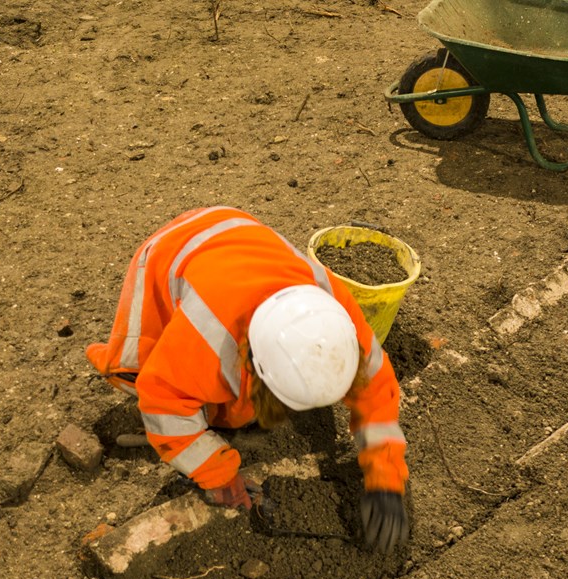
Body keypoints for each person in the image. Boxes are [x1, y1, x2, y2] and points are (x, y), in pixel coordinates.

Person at [86, 206, 409, 553]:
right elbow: (162, 400)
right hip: (169, 255)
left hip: (237, 235)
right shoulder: (208, 335)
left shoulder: (337, 321)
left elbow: (377, 391)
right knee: (140, 373)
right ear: (252, 362)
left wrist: (386, 480)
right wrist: (217, 475)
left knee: (235, 405)